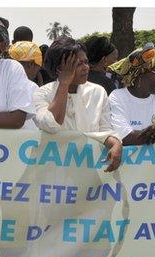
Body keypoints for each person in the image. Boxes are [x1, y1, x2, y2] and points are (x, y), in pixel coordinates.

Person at [33, 36, 122, 172]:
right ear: (59, 68)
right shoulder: (42, 94)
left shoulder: (97, 92)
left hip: (88, 171)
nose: (86, 68)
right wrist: (64, 84)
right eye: (78, 64)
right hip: (53, 172)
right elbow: (51, 125)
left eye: (86, 62)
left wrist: (115, 142)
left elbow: (105, 130)